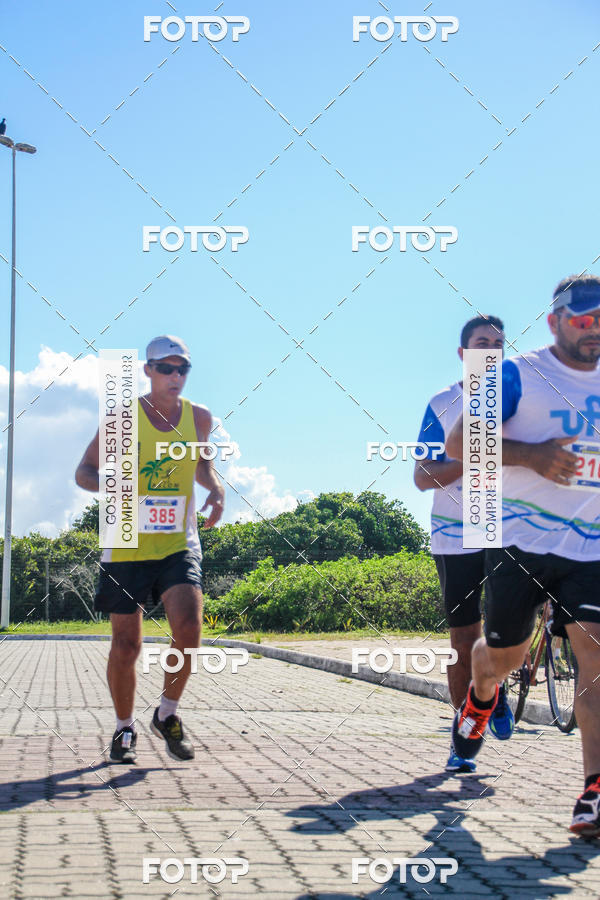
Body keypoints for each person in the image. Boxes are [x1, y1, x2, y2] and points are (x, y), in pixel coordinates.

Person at [446, 275, 600, 837]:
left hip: (591, 547)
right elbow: (460, 444)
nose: (594, 329)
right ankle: (480, 699)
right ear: (556, 319)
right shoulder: (515, 375)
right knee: (502, 658)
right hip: (520, 541)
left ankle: (593, 793)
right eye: (583, 318)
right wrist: (533, 456)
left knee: (594, 655)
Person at [75, 336, 225, 763]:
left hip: (179, 539)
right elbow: (84, 471)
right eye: (167, 368)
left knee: (190, 629)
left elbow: (203, 465)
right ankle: (124, 728)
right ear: (148, 371)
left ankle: (167, 713)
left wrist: (216, 492)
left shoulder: (199, 417)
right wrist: (114, 485)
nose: (175, 377)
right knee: (126, 646)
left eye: (183, 370)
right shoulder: (123, 420)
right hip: (126, 540)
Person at [415, 314, 512, 773]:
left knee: (508, 628)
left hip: (510, 526)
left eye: (498, 344)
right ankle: (463, 733)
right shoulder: (442, 403)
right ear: (463, 354)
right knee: (463, 637)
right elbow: (421, 476)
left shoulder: (522, 401)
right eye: (481, 344)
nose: (490, 352)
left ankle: (496, 685)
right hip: (455, 531)